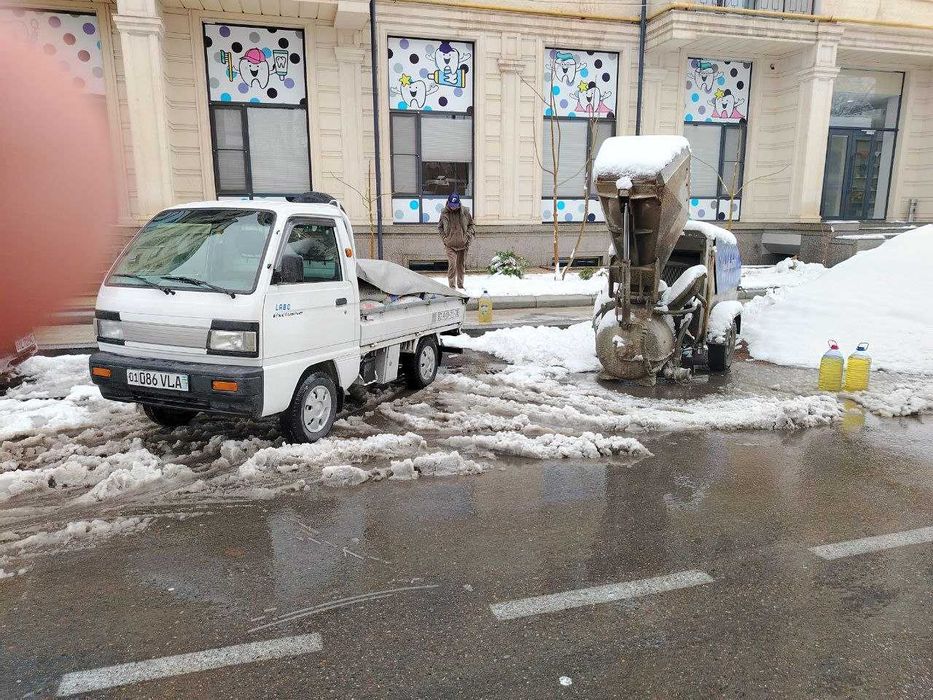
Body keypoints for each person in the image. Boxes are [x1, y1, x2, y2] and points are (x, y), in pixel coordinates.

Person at [437, 192, 475, 290]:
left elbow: (471, 225)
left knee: (461, 265)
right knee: (452, 264)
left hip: (463, 243)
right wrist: (445, 239)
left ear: (459, 204)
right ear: (448, 203)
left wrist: (467, 236)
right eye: (451, 205)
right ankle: (452, 287)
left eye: (455, 205)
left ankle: (461, 285)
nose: (453, 207)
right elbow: (440, 227)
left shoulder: (465, 212)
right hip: (450, 244)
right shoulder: (444, 213)